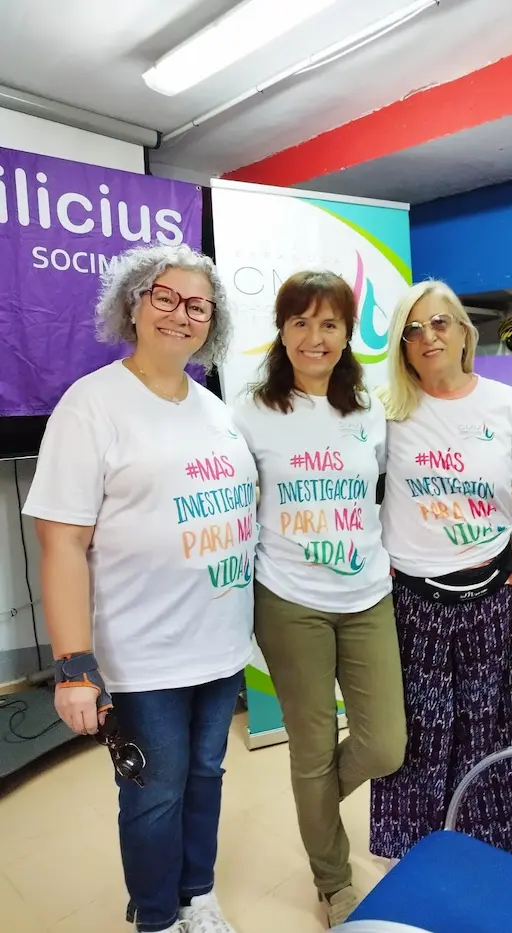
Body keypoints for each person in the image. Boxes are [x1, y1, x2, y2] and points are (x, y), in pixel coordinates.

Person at [23, 244, 256, 933]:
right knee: (153, 794)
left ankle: (197, 894)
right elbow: (61, 541)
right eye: (165, 296)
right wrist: (73, 666)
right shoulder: (92, 404)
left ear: (211, 322)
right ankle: (156, 917)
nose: (181, 314)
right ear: (133, 303)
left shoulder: (214, 409)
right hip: (142, 650)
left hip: (218, 642)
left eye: (198, 304)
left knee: (207, 776)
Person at [370, 280, 512, 862]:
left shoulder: (506, 405)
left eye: (438, 323)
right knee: (417, 726)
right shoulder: (387, 412)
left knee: (487, 721)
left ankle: (487, 845)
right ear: (402, 347)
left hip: (487, 589)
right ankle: (412, 849)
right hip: (409, 596)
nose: (427, 337)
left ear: (463, 331)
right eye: (412, 330)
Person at [233, 270, 406, 927]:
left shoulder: (370, 407)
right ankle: (333, 882)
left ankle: (314, 803)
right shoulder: (249, 410)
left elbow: (395, 494)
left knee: (384, 743)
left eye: (329, 323)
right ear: (281, 331)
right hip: (288, 599)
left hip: (367, 596)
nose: (315, 335)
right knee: (311, 746)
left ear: (346, 333)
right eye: (300, 321)